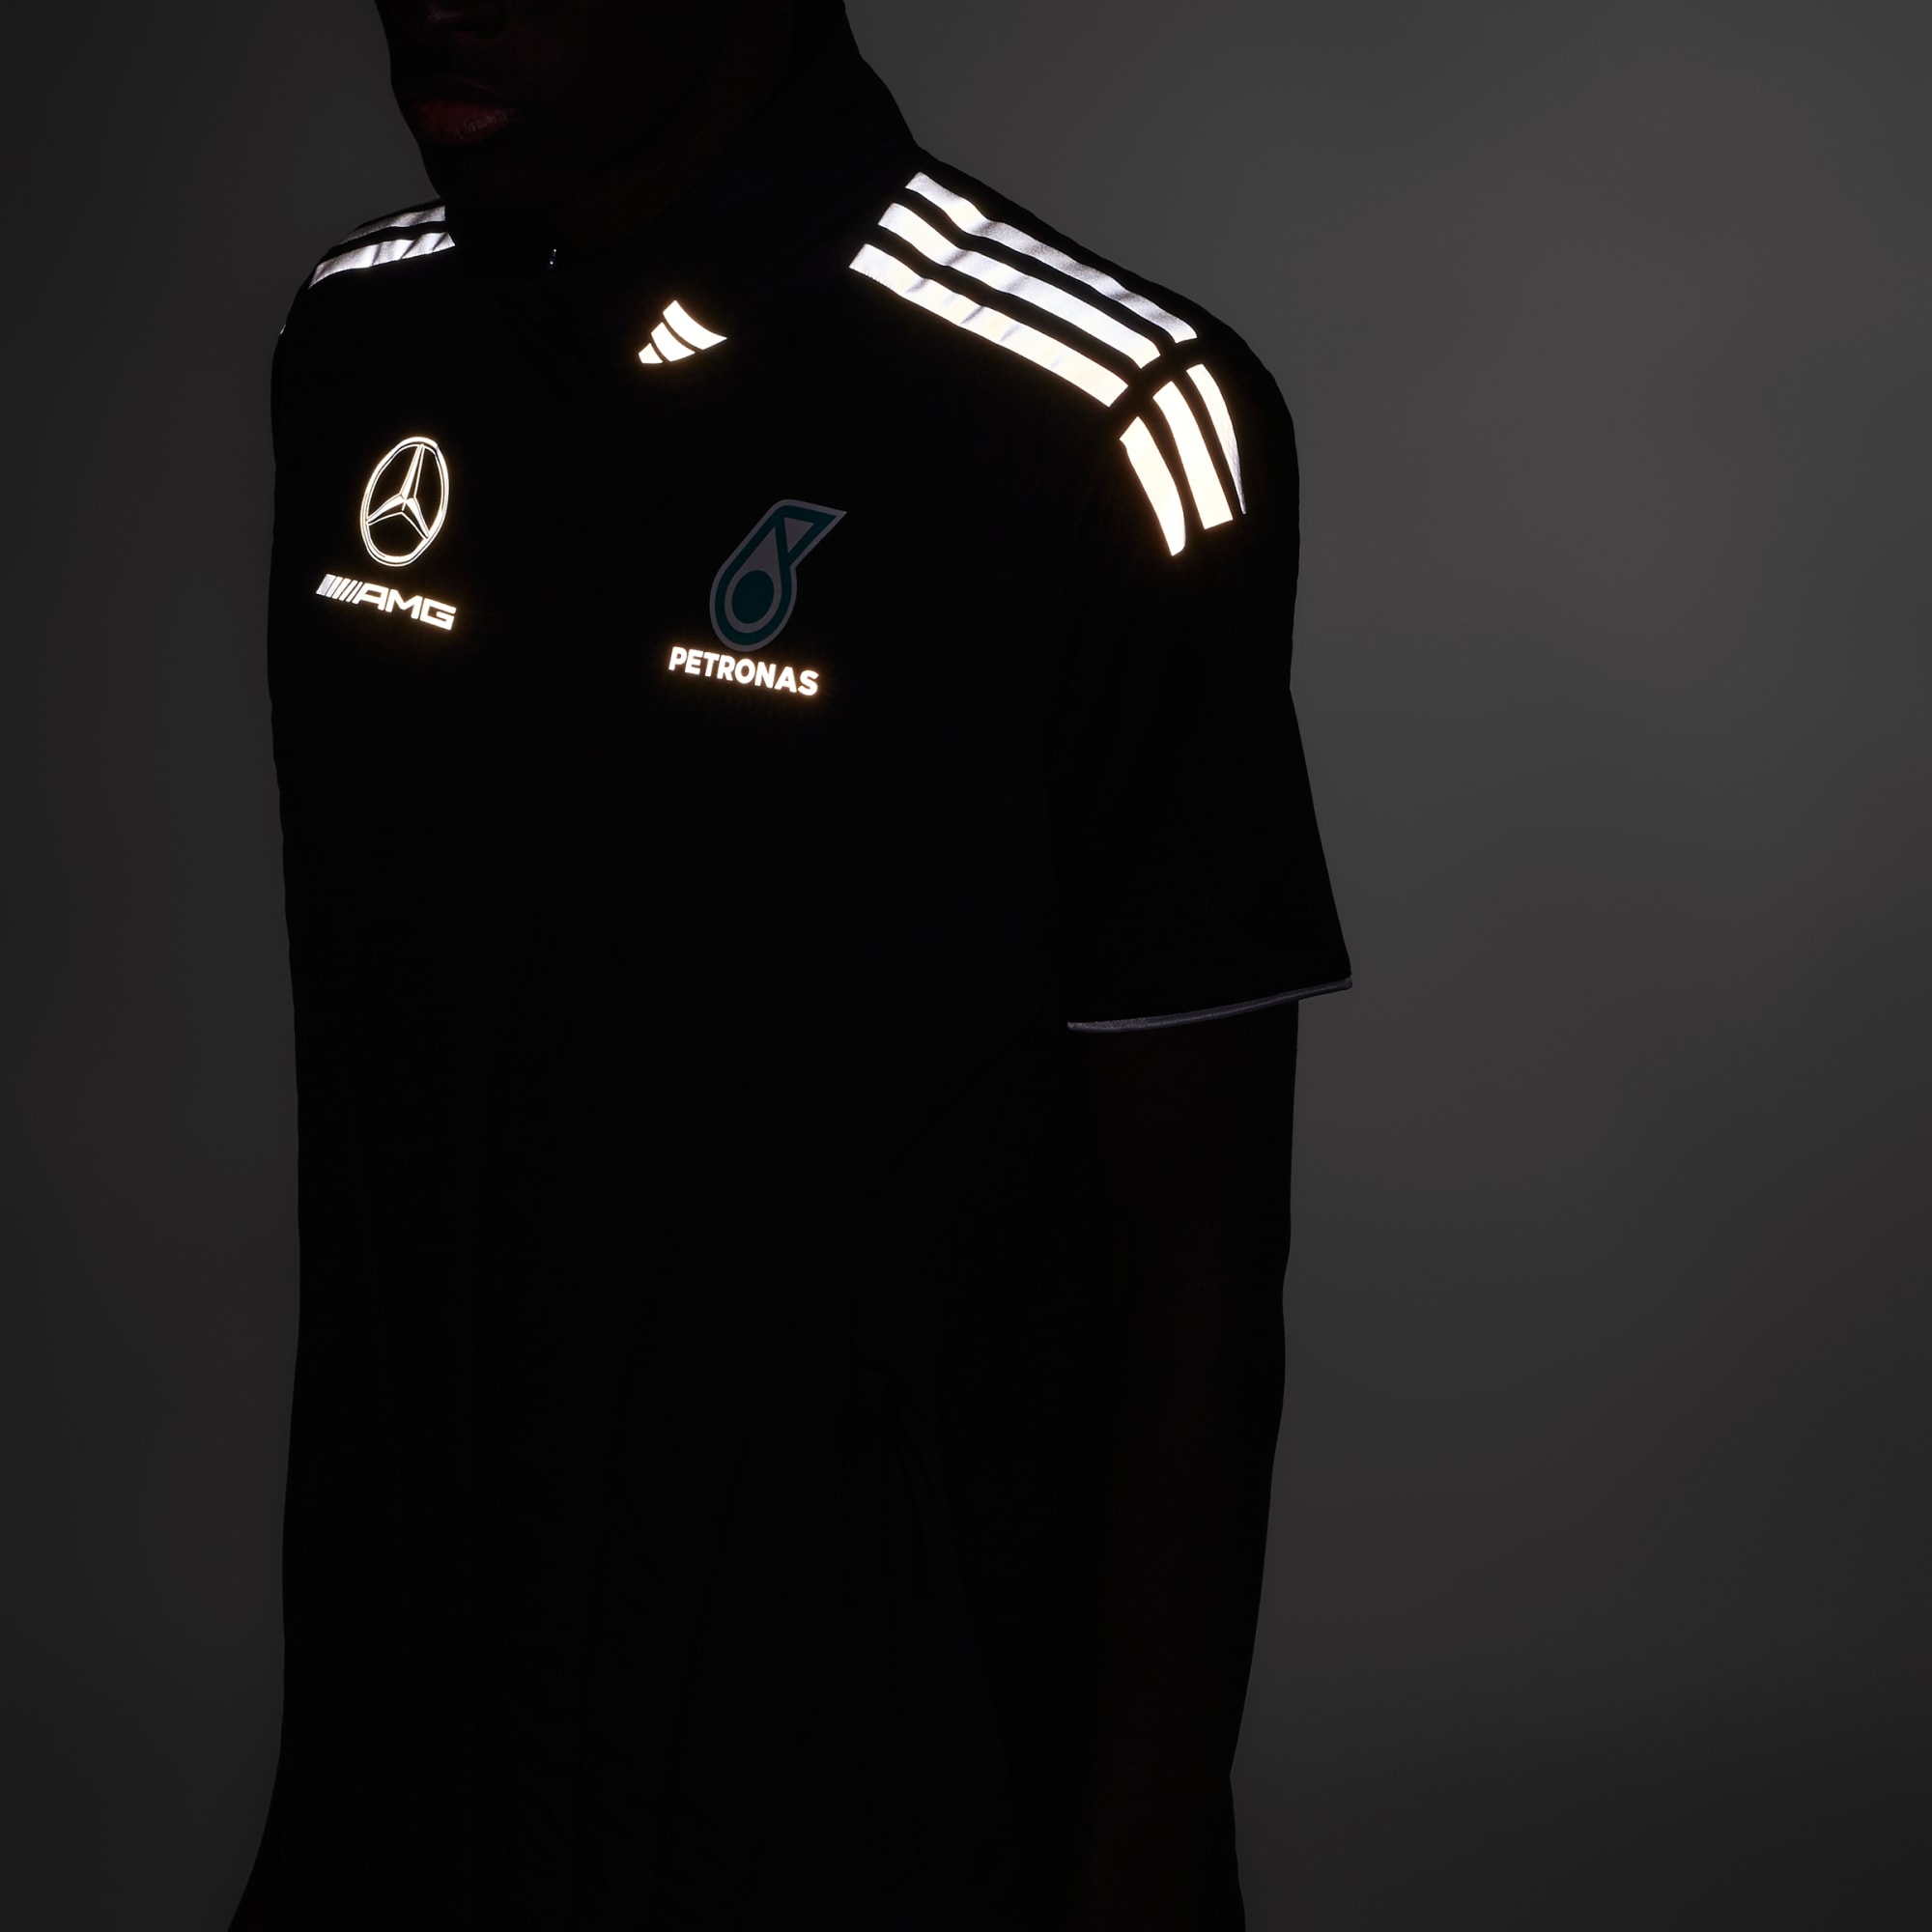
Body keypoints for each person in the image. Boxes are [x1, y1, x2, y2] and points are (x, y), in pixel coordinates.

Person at [229, 1, 1350, 1926]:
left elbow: (1196, 1259)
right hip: (399, 1761)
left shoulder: (1088, 417)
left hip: (867, 1777)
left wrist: (1145, 1846)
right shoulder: (362, 341)